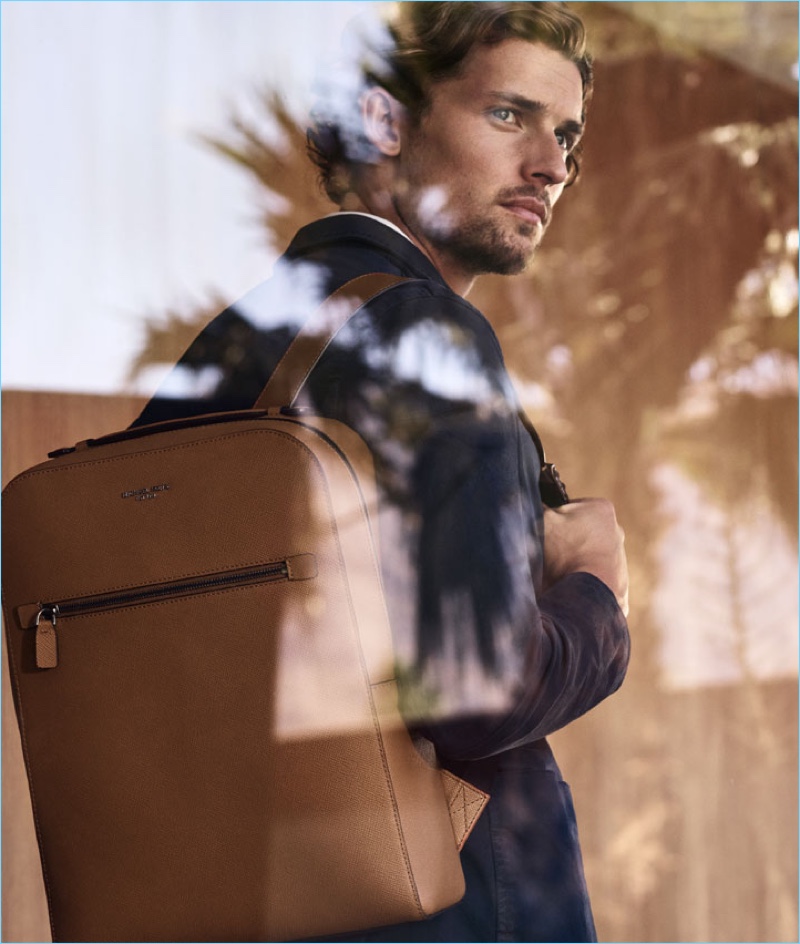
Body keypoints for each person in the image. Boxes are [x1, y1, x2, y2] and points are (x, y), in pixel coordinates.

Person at [135, 2, 630, 940]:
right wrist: (596, 590)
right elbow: (481, 692)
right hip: (441, 905)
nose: (553, 165)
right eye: (508, 115)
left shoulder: (226, 353)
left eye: (566, 133)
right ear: (384, 122)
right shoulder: (422, 328)